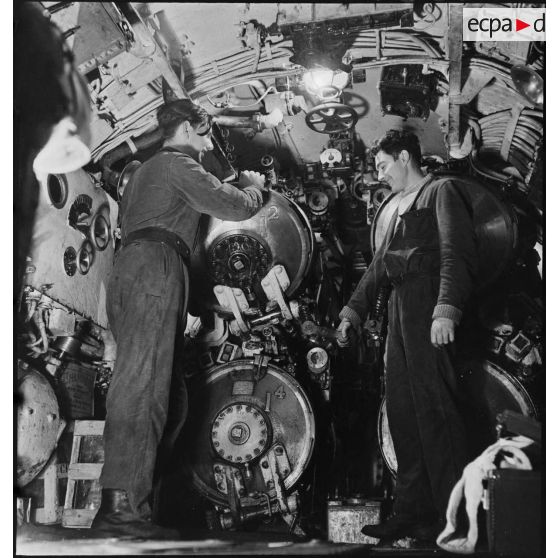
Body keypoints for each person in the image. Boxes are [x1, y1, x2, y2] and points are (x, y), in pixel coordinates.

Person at [92, 99, 266, 538]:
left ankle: (138, 501)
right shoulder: (176, 163)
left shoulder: (146, 172)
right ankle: (120, 506)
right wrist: (254, 187)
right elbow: (235, 206)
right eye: (205, 134)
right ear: (188, 128)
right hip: (156, 266)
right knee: (144, 386)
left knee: (172, 398)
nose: (208, 144)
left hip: (137, 269)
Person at [337, 129, 478, 542]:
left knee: (437, 412)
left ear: (403, 156)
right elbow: (377, 267)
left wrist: (446, 309)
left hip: (427, 304)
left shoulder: (442, 191)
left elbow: (457, 252)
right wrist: (352, 314)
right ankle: (411, 512)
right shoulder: (398, 207)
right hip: (401, 309)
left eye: (383, 166)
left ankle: (458, 519)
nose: (381, 175)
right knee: (402, 412)